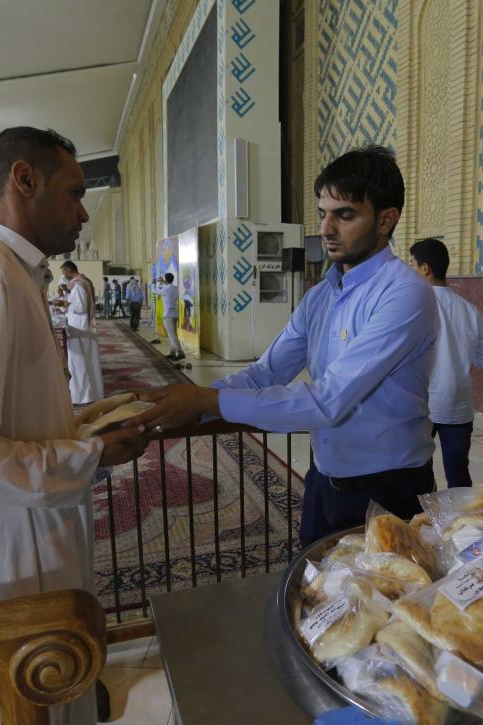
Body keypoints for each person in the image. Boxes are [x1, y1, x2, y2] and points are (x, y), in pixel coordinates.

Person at [0, 126, 147, 725]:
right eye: (73, 191)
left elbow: (13, 417)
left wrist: (89, 421)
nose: (83, 210)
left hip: (32, 533)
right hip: (7, 549)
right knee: (29, 710)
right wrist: (89, 456)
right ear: (25, 180)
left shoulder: (13, 274)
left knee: (57, 697)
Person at [127, 146, 438, 546]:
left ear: (386, 220)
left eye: (344, 215)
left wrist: (207, 403)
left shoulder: (404, 294)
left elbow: (328, 400)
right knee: (315, 592)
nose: (326, 228)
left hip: (387, 487)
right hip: (325, 479)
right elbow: (265, 373)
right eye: (323, 212)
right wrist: (191, 402)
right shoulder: (320, 298)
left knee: (384, 602)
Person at [409, 238, 483, 488]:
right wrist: (460, 358)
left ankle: (421, 521)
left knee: (416, 471)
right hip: (458, 401)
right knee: (458, 473)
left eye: (412, 265)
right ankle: (460, 523)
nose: (410, 271)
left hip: (421, 400)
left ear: (425, 268)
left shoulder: (412, 307)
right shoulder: (468, 309)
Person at [60, 260, 104, 404]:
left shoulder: (78, 285)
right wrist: (68, 296)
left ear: (68, 270)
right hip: (83, 326)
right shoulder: (84, 281)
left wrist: (65, 304)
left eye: (63, 272)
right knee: (87, 360)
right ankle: (92, 393)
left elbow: (80, 307)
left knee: (78, 361)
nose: (63, 275)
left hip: (79, 326)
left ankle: (82, 396)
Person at [160, 272, 184, 360]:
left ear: (166, 279)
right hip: (175, 314)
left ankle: (180, 352)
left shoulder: (166, 289)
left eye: (164, 279)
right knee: (172, 334)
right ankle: (173, 353)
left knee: (172, 335)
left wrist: (154, 284)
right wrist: (164, 282)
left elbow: (156, 291)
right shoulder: (175, 288)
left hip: (168, 315)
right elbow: (167, 288)